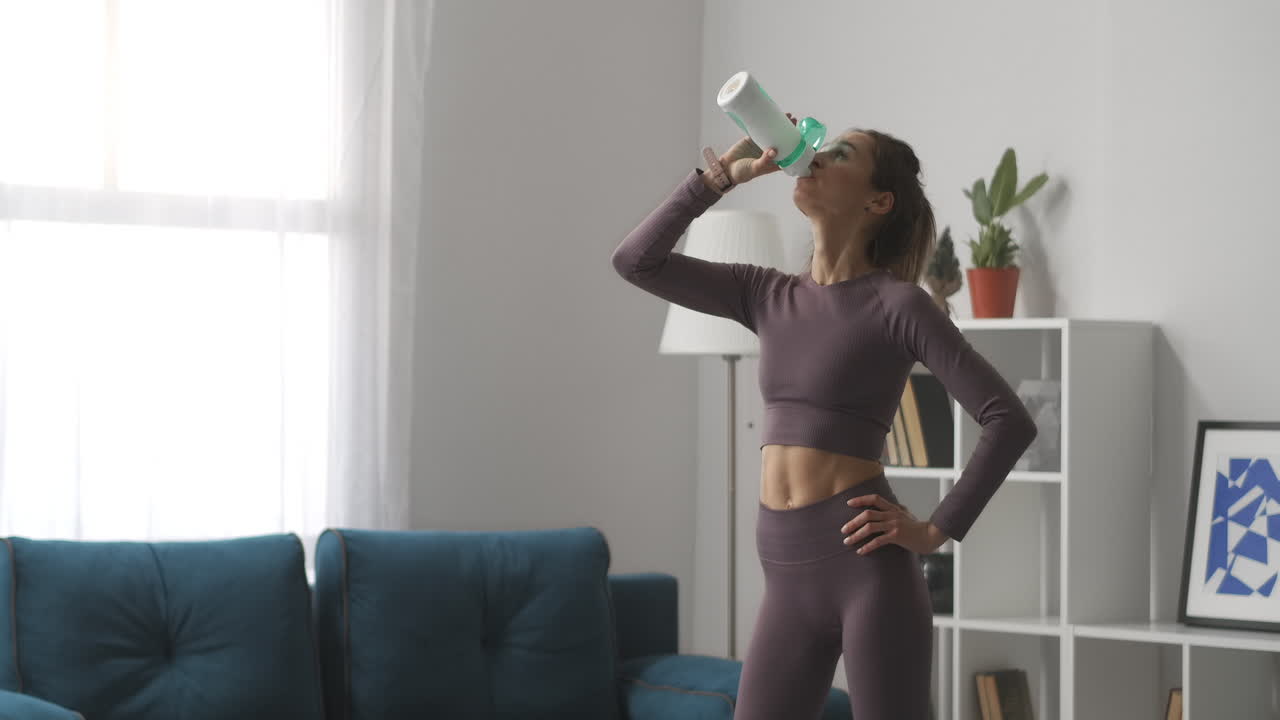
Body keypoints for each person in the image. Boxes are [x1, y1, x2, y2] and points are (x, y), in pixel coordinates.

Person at [610, 113, 1038, 720]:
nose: (815, 156)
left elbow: (1008, 419)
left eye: (840, 155)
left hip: (867, 570)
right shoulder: (766, 293)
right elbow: (635, 261)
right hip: (785, 573)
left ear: (878, 201)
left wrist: (934, 530)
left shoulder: (900, 305)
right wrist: (719, 178)